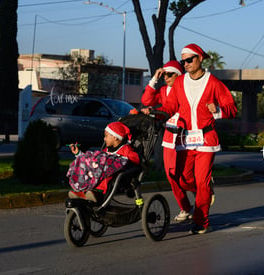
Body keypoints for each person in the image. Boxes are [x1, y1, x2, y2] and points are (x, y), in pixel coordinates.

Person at [161, 43, 237, 234]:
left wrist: (219, 110)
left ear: (200, 59)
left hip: (206, 139)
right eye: (183, 61)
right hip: (184, 139)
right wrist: (153, 113)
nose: (185, 63)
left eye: (189, 59)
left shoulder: (213, 83)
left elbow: (232, 108)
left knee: (201, 182)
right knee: (181, 179)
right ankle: (206, 191)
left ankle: (201, 221)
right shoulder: (179, 82)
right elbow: (169, 107)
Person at [141, 60, 195, 221]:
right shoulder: (164, 90)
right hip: (170, 136)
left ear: (179, 75)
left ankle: (202, 193)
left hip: (186, 135)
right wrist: (153, 79)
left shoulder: (187, 89)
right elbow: (146, 101)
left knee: (186, 176)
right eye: (164, 74)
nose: (166, 77)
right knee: (172, 175)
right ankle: (186, 208)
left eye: (170, 74)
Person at [68, 121, 140, 202]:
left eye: (106, 136)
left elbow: (135, 160)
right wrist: (78, 154)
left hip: (118, 177)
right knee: (89, 168)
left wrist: (120, 162)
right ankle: (83, 191)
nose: (104, 138)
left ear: (115, 137)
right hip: (100, 173)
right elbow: (95, 160)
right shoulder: (107, 150)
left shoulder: (126, 150)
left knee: (107, 173)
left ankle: (98, 193)